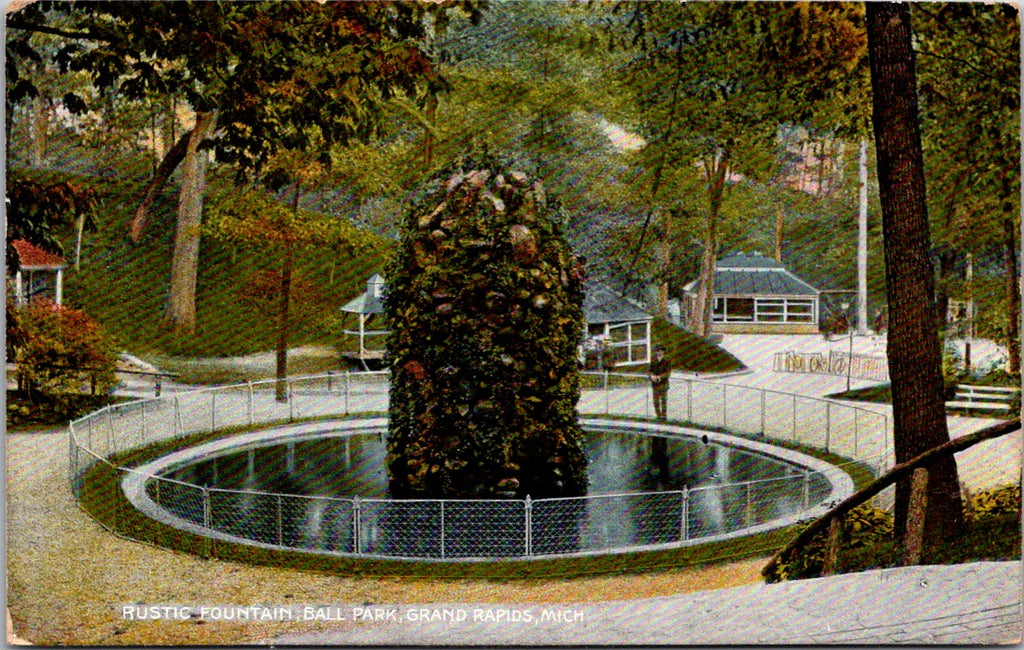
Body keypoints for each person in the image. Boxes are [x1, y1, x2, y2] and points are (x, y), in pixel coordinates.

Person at [648, 345, 671, 422]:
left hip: (663, 384)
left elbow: (668, 372)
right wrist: (651, 376)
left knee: (663, 401)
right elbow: (649, 370)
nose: (659, 352)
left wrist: (659, 377)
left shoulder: (666, 360)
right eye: (657, 351)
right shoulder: (653, 360)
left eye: (660, 350)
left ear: (663, 351)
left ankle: (664, 416)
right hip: (655, 385)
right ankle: (658, 416)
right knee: (656, 401)